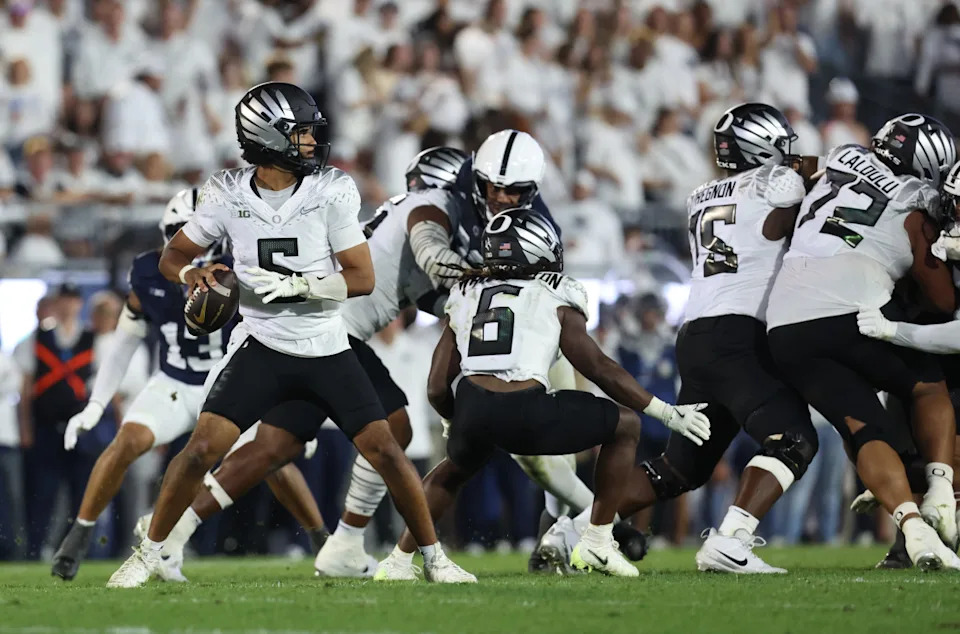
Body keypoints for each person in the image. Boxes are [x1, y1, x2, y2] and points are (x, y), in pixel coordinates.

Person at [106, 82, 472, 587]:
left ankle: (434, 558)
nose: (311, 141)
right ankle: (149, 553)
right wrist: (192, 274)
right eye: (300, 132)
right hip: (261, 343)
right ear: (267, 137)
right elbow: (174, 256)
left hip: (325, 343)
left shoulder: (331, 189)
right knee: (201, 449)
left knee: (387, 449)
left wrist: (302, 284)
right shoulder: (226, 192)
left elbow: (362, 278)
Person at [544, 103, 820, 574]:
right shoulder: (774, 183)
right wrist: (807, 177)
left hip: (696, 334)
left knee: (679, 468)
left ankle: (573, 531)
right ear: (763, 147)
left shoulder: (700, 194)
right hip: (740, 333)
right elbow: (792, 211)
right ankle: (731, 540)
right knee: (792, 439)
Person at [375, 210, 710, 580]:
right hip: (525, 410)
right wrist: (664, 411)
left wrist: (454, 421)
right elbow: (597, 366)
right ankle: (597, 541)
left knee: (450, 473)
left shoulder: (466, 292)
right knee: (625, 424)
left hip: (473, 407)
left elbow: (437, 385)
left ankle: (399, 560)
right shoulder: (556, 292)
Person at [51, 189, 327, 581]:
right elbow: (125, 340)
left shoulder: (243, 266)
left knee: (271, 458)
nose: (192, 242)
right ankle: (79, 534)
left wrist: (290, 408)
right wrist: (96, 405)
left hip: (229, 382)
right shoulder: (149, 272)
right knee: (127, 442)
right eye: (182, 232)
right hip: (175, 382)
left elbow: (278, 334)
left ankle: (323, 541)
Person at [765, 114, 960, 570]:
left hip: (786, 321)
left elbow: (794, 188)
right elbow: (943, 301)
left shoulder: (838, 159)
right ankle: (938, 492)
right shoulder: (916, 201)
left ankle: (914, 531)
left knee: (862, 427)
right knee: (927, 388)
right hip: (854, 309)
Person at [14, 283, 96, 560]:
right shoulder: (36, 339)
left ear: (79, 304)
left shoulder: (92, 339)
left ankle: (75, 551)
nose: (68, 305)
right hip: (46, 427)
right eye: (63, 299)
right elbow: (26, 389)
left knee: (81, 494)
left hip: (81, 429)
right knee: (42, 493)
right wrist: (26, 429)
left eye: (73, 300)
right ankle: (35, 549)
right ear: (56, 303)